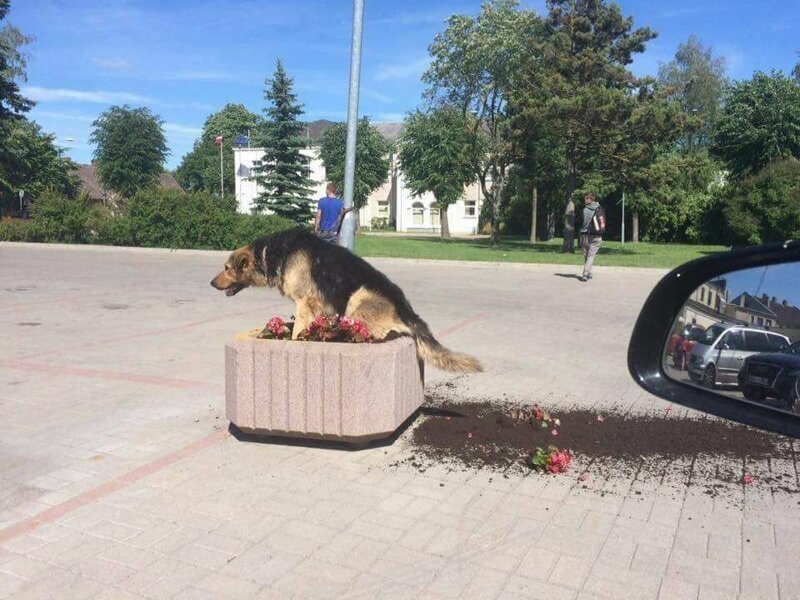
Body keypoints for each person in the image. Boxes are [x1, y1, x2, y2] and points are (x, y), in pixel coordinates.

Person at [578, 192, 605, 282]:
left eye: (585, 198)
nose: (584, 200)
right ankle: (589, 272)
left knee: (588, 255)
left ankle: (585, 273)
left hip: (585, 235)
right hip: (597, 235)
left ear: (589, 199)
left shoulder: (585, 210)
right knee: (590, 256)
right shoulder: (599, 208)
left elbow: (582, 223)